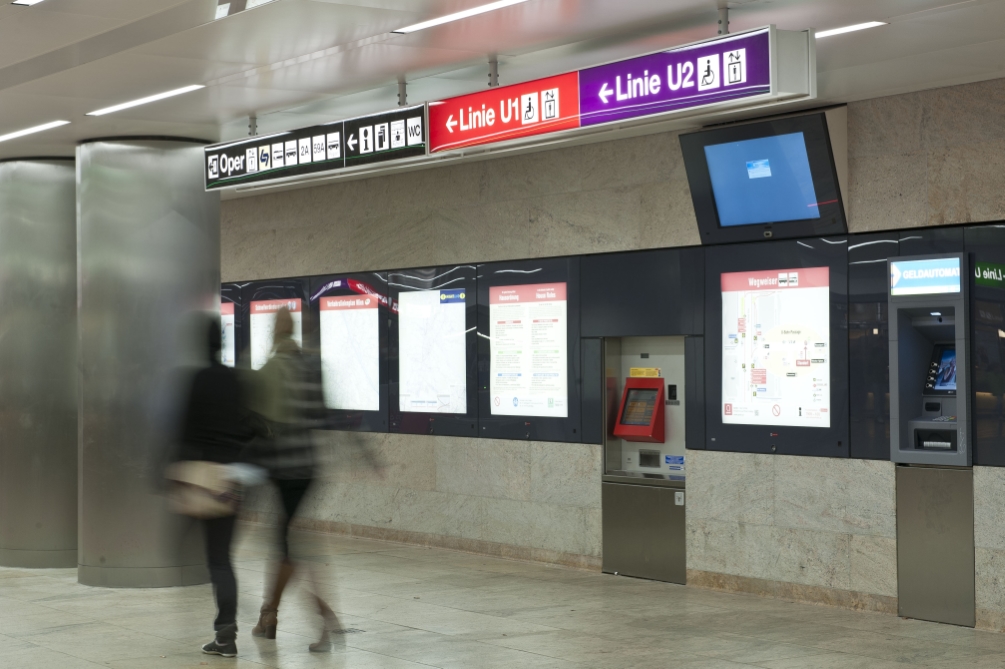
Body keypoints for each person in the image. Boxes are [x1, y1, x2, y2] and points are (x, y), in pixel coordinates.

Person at [249, 307, 339, 652]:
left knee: (290, 548)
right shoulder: (310, 367)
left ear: (276, 332)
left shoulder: (273, 369)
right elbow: (324, 413)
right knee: (286, 543)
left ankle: (325, 620)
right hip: (309, 467)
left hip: (283, 470)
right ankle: (267, 616)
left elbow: (259, 422)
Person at [177, 317, 257, 658]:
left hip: (201, 476)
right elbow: (249, 425)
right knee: (223, 559)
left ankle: (224, 635)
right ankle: (226, 633)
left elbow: (183, 428)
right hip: (231, 479)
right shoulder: (236, 380)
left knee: (212, 558)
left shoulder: (196, 379)